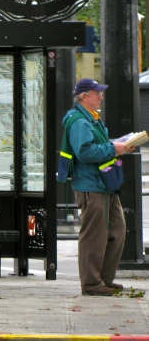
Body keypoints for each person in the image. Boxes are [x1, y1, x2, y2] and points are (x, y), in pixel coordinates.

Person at [62, 78, 133, 296]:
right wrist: (114, 149)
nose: (101, 96)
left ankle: (103, 279)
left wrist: (116, 145)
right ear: (84, 96)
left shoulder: (91, 119)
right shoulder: (79, 121)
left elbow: (95, 145)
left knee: (118, 230)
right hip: (91, 186)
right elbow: (84, 152)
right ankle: (92, 284)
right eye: (97, 93)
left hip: (104, 184)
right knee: (95, 235)